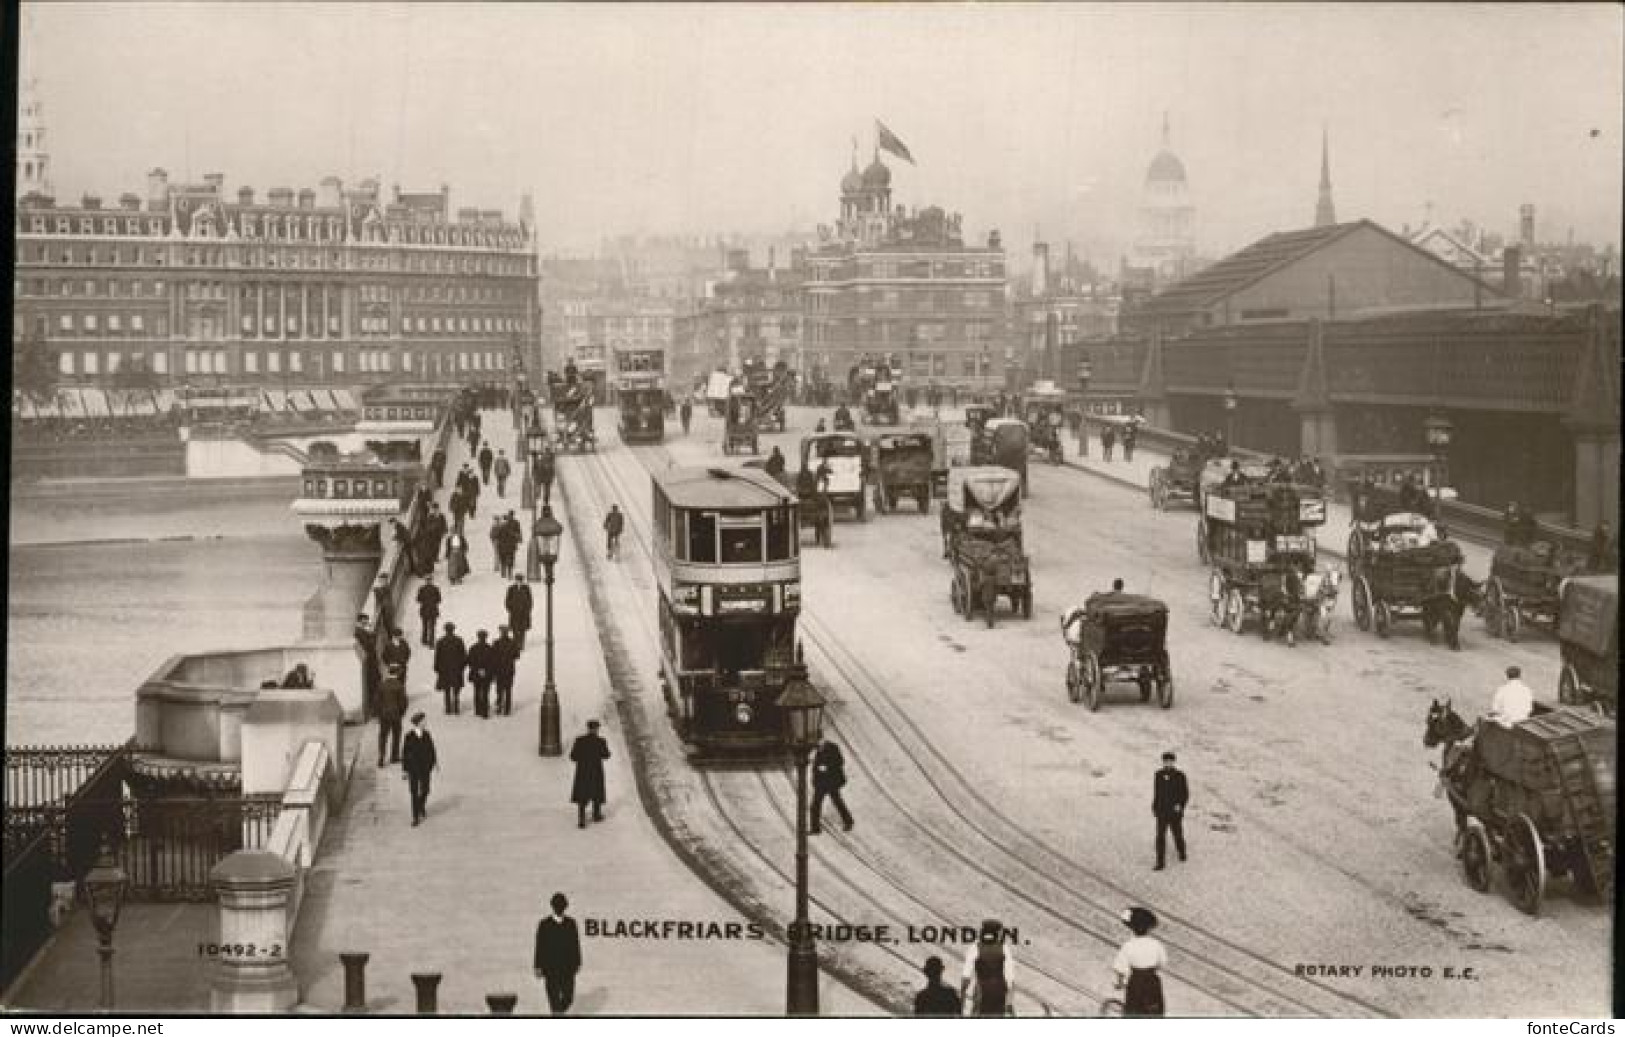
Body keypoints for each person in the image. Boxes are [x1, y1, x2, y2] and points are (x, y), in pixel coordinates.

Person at [1113, 907, 1168, 1016]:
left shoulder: (1128, 946)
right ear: (1149, 929)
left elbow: (1120, 967)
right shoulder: (1156, 944)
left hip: (1136, 982)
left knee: (1133, 1011)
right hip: (1152, 982)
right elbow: (1162, 963)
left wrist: (1119, 983)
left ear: (1132, 929)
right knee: (1155, 1010)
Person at [533, 892, 582, 1015]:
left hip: (568, 969)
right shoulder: (544, 924)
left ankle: (558, 1015)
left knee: (568, 998)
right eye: (557, 905)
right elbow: (540, 946)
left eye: (562, 905)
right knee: (554, 1000)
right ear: (553, 906)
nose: (560, 907)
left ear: (565, 907)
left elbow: (575, 944)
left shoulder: (571, 923)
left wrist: (578, 962)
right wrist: (537, 966)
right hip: (550, 969)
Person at [960, 919, 1014, 1016]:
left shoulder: (974, 948)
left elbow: (966, 976)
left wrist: (962, 997)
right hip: (999, 993)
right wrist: (1009, 1001)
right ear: (998, 933)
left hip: (981, 992)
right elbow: (1010, 978)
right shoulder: (1004, 948)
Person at [570, 720, 612, 827]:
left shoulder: (579, 740)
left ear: (588, 728)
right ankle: (596, 815)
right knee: (596, 792)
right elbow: (606, 755)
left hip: (583, 772)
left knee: (582, 795)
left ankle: (582, 819)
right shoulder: (601, 741)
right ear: (597, 729)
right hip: (596, 771)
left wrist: (582, 758)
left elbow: (573, 757)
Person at [1153, 751, 1189, 870]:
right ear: (1163, 762)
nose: (1167, 763)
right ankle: (1160, 862)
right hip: (1162, 811)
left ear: (1174, 762)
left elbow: (1185, 793)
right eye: (1165, 761)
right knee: (1160, 837)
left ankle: (1182, 852)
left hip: (1175, 811)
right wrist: (1155, 806)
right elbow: (1157, 792)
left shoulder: (1180, 775)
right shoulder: (1158, 774)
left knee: (1177, 834)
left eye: (1170, 761)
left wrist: (1180, 805)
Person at [401, 711, 438, 827]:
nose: (425, 722)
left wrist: (435, 762)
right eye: (423, 721)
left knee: (426, 790)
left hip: (425, 767)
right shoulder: (409, 736)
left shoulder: (427, 734)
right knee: (414, 792)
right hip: (413, 768)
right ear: (418, 723)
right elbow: (405, 754)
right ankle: (415, 817)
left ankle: (420, 805)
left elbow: (432, 749)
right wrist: (404, 770)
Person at [810, 739, 853, 834]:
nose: (818, 747)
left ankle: (849, 821)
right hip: (821, 783)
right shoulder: (818, 751)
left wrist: (827, 767)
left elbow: (840, 761)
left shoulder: (833, 747)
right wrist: (814, 780)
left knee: (837, 802)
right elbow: (815, 767)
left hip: (831, 781)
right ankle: (815, 828)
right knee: (815, 805)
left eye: (819, 745)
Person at [377, 664, 408, 767]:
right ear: (398, 673)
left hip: (384, 715)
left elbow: (377, 701)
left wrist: (379, 713)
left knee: (383, 736)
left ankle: (381, 757)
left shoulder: (382, 685)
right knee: (396, 735)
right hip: (395, 715)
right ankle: (394, 756)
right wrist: (401, 713)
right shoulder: (399, 686)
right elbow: (403, 703)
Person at [434, 622, 468, 715]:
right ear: (453, 630)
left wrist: (437, 668)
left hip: (445, 670)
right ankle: (456, 708)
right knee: (456, 690)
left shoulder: (440, 641)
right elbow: (464, 655)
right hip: (456, 669)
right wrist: (462, 667)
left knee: (446, 690)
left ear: (445, 630)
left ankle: (448, 708)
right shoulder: (459, 640)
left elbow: (437, 657)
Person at [467, 629, 496, 719]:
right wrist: (486, 671)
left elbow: (470, 661)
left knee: (477, 692)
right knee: (485, 693)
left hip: (476, 673)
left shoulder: (473, 648)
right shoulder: (490, 648)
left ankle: (478, 710)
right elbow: (493, 662)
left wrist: (477, 670)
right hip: (487, 674)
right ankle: (484, 712)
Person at [492, 625, 519, 716]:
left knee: (500, 689)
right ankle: (507, 709)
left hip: (499, 669)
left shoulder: (496, 643)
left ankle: (500, 707)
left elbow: (493, 657)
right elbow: (517, 655)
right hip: (508, 669)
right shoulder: (512, 643)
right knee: (507, 690)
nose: (503, 633)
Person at [506, 575, 534, 652]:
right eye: (517, 580)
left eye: (520, 580)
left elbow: (530, 600)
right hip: (514, 613)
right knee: (515, 629)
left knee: (522, 629)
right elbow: (507, 600)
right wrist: (510, 608)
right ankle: (515, 644)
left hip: (524, 613)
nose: (519, 582)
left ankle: (521, 644)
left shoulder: (526, 588)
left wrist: (527, 610)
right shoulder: (511, 588)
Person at [416, 577, 443, 648]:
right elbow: (439, 600)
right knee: (432, 627)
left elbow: (418, 599)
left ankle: (424, 640)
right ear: (431, 581)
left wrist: (424, 601)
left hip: (424, 610)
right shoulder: (435, 589)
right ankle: (431, 643)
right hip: (433, 610)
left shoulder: (421, 589)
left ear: (425, 581)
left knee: (424, 626)